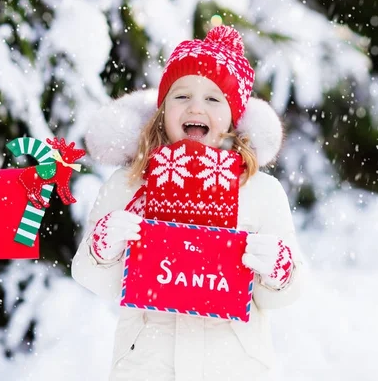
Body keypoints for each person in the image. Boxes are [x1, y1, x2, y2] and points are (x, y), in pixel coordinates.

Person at [71, 25, 305, 381]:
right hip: (147, 367)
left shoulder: (260, 191)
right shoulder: (130, 183)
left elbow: (283, 294)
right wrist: (104, 250)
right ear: (163, 110)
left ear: (233, 116)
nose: (196, 107)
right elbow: (92, 277)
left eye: (213, 99)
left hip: (233, 369)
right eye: (181, 96)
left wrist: (278, 271)